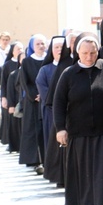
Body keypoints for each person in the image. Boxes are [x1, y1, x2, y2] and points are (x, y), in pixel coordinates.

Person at [53, 33, 103, 205]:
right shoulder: (69, 74)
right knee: (82, 172)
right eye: (85, 53)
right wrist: (60, 128)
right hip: (79, 132)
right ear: (78, 53)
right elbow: (58, 103)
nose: (89, 57)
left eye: (93, 52)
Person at [35, 36, 65, 181]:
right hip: (51, 113)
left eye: (62, 47)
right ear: (51, 50)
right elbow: (45, 93)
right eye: (56, 47)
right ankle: (57, 176)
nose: (59, 50)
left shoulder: (70, 67)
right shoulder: (44, 70)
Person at [19, 34, 47, 174]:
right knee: (33, 131)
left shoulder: (48, 60)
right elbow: (25, 82)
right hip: (33, 102)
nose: (41, 46)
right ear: (32, 46)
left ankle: (46, 158)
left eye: (43, 43)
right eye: (38, 44)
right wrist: (34, 95)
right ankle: (34, 159)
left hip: (45, 100)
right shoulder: (27, 62)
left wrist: (44, 94)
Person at [0, 41, 22, 147]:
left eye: (21, 49)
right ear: (12, 52)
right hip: (10, 96)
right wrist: (4, 98)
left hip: (20, 96)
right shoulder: (7, 65)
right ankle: (13, 143)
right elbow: (3, 83)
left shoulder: (24, 62)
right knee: (12, 121)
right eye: (18, 49)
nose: (20, 51)